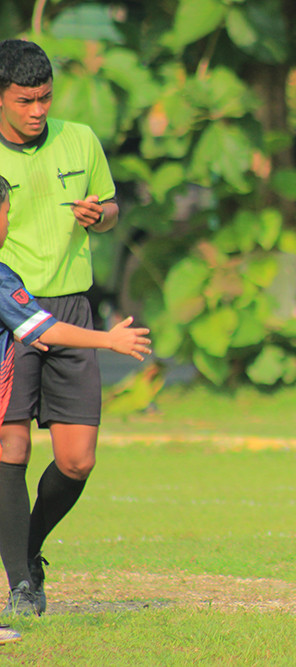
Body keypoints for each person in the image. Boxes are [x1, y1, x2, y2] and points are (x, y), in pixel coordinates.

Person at [0, 39, 122, 616]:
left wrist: (101, 216)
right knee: (11, 444)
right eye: (25, 100)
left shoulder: (80, 139)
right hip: (11, 310)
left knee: (77, 460)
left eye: (45, 98)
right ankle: (22, 583)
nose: (37, 110)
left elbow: (114, 208)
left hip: (72, 305)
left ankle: (26, 549)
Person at [0, 175, 149, 623]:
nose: (8, 224)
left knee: (75, 460)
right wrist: (108, 340)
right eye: (7, 214)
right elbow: (42, 330)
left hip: (66, 307)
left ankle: (24, 560)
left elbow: (40, 327)